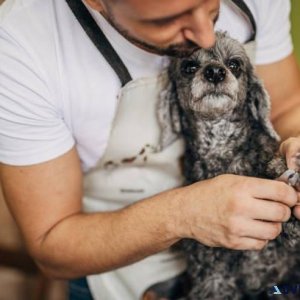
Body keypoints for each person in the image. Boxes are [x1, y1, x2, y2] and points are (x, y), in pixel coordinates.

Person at [0, 0, 300, 299]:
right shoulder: (21, 46)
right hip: (123, 266)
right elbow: (53, 247)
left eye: (211, 6)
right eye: (166, 20)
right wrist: (184, 214)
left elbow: (286, 107)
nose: (206, 36)